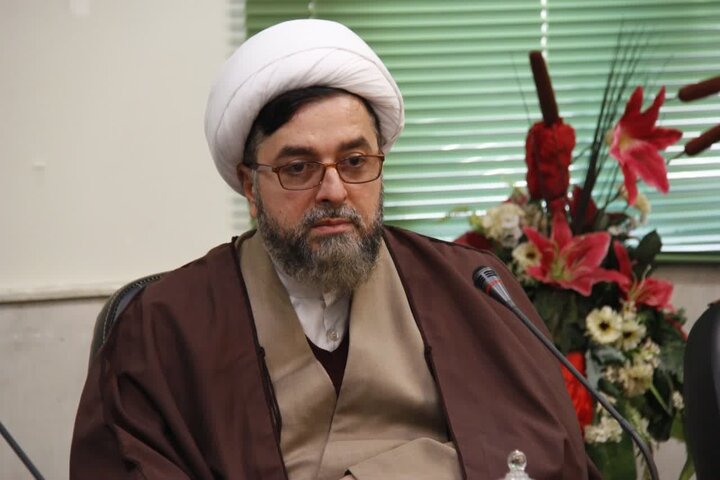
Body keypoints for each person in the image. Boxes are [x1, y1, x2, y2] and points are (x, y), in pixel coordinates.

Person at [70, 19, 600, 480]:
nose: (334, 191)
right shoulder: (163, 327)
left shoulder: (472, 288)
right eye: (298, 167)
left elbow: (546, 451)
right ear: (250, 185)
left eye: (354, 161)